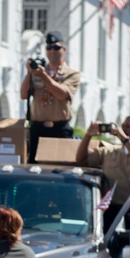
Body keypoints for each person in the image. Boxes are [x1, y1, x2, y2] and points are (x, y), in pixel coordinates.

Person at [76, 115, 130, 229]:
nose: (123, 129)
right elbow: (81, 159)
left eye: (128, 126)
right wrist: (88, 135)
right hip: (110, 208)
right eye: (122, 126)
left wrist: (124, 138)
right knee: (102, 240)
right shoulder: (110, 151)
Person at [21, 31, 81, 163]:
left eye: (56, 47)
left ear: (64, 49)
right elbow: (23, 95)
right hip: (37, 128)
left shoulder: (71, 74)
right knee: (33, 167)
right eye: (49, 48)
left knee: (59, 168)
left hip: (58, 128)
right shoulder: (39, 70)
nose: (52, 51)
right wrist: (29, 73)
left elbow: (62, 94)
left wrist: (44, 76)